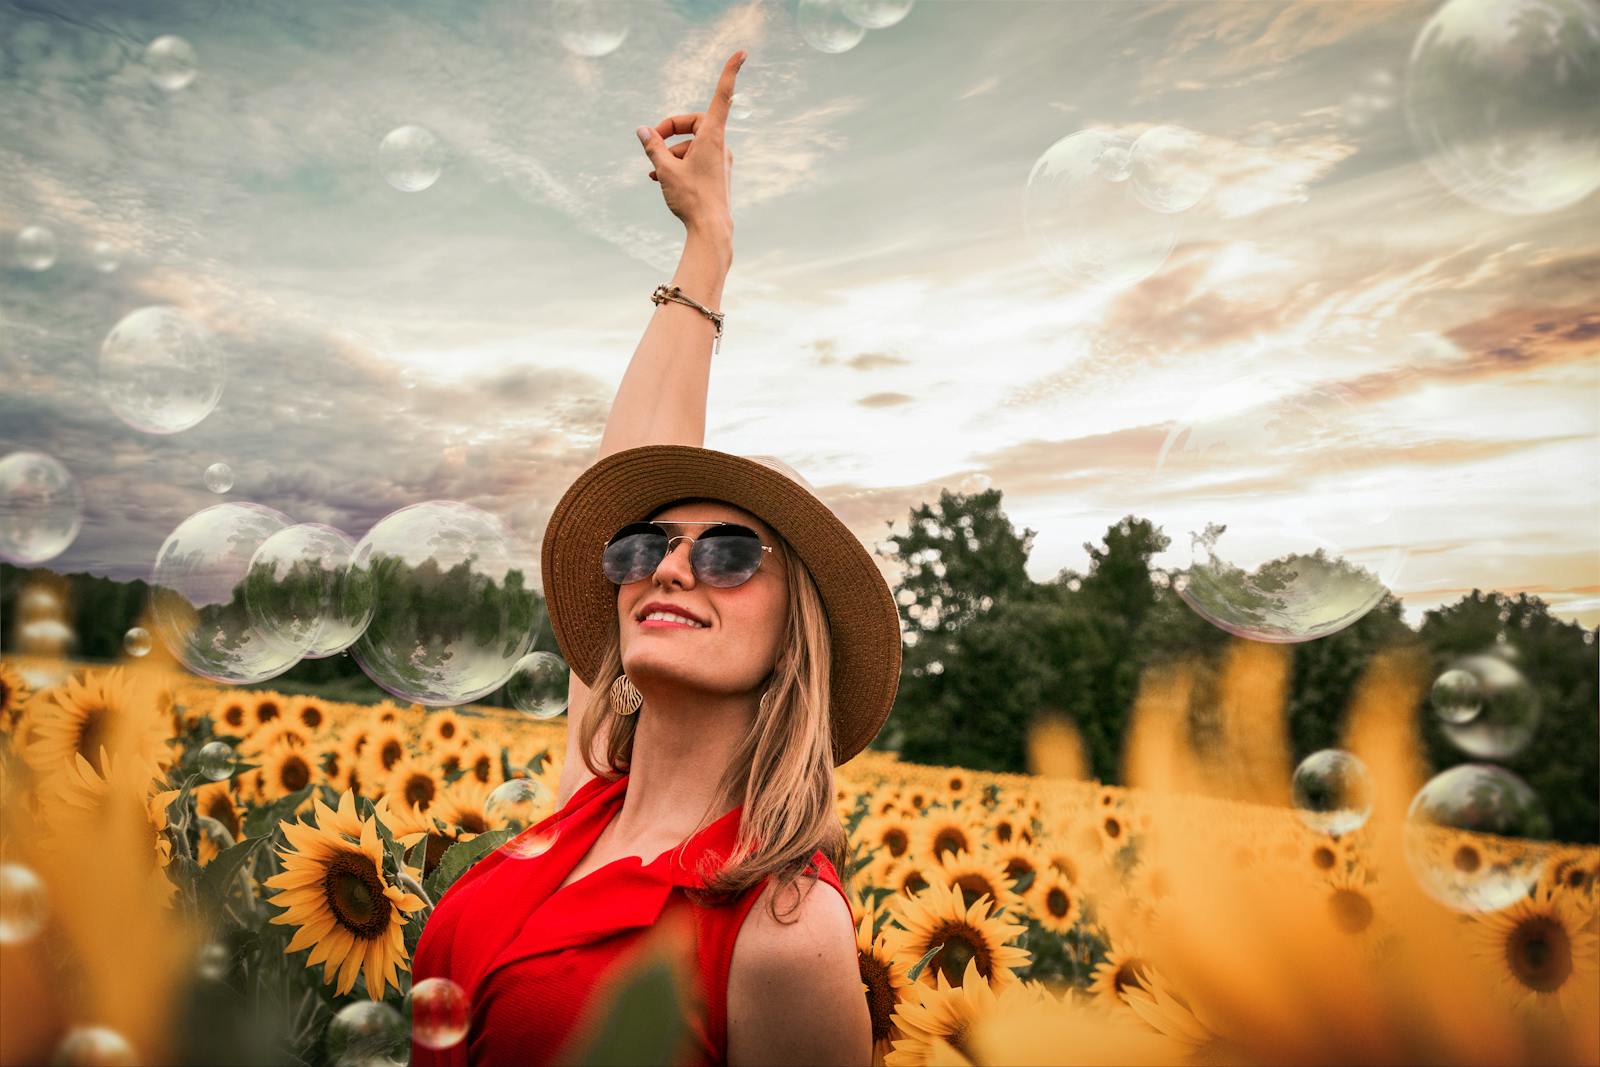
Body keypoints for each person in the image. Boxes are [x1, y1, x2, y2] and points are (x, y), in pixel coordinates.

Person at [410, 51, 902, 1067]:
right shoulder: (586, 801)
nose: (669, 568)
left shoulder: (782, 927)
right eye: (645, 546)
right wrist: (706, 244)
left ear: (792, 636)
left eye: (726, 552)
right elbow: (631, 462)